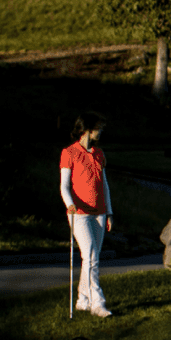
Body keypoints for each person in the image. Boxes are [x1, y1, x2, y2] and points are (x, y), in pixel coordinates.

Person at [58, 113, 114, 317]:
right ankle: (97, 304)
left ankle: (82, 300)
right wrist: (70, 204)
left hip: (99, 213)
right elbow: (64, 186)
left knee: (91, 258)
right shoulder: (69, 153)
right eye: (98, 127)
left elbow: (104, 185)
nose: (101, 131)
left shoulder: (99, 153)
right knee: (90, 255)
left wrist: (109, 212)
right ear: (87, 130)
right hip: (79, 213)